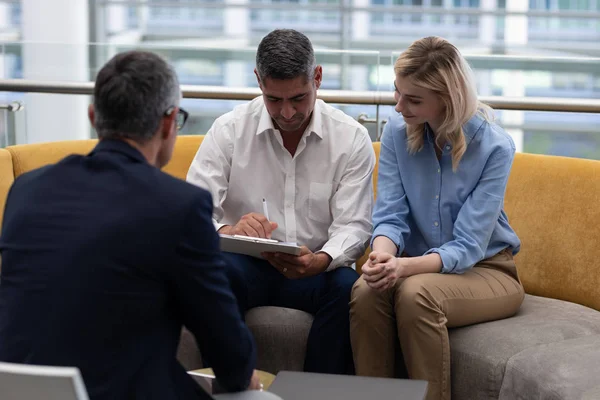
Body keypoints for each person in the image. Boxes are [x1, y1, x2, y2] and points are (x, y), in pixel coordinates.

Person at [0, 50, 261, 400]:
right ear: (169, 122)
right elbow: (226, 349)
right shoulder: (179, 206)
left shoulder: (26, 189)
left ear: (94, 117)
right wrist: (243, 378)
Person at [187, 29, 375, 375]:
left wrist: (321, 259)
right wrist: (230, 230)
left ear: (317, 77)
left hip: (317, 269)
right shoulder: (228, 131)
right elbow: (192, 215)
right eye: (274, 100)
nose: (287, 113)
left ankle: (318, 396)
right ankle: (229, 388)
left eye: (299, 98)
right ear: (258, 81)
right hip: (245, 266)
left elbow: (355, 226)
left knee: (348, 289)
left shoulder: (350, 139)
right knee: (214, 273)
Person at [349, 36, 525, 400]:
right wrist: (383, 255)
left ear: (447, 99)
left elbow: (469, 245)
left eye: (413, 100)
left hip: (487, 270)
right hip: (415, 264)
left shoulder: (495, 147)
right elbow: (390, 214)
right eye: (397, 93)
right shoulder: (397, 134)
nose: (398, 107)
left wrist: (403, 268)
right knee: (366, 290)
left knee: (416, 293)